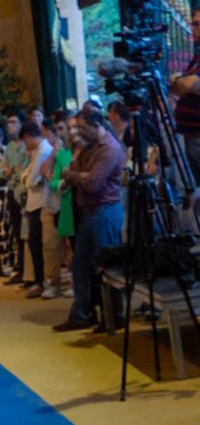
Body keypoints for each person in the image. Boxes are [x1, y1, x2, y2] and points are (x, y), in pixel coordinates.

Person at [57, 109, 129, 333]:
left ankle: (113, 316)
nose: (77, 131)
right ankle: (82, 313)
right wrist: (79, 174)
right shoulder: (87, 148)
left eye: (81, 127)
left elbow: (93, 183)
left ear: (95, 125)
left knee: (107, 268)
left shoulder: (109, 149)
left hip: (104, 212)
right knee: (80, 266)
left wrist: (75, 176)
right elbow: (74, 171)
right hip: (89, 212)